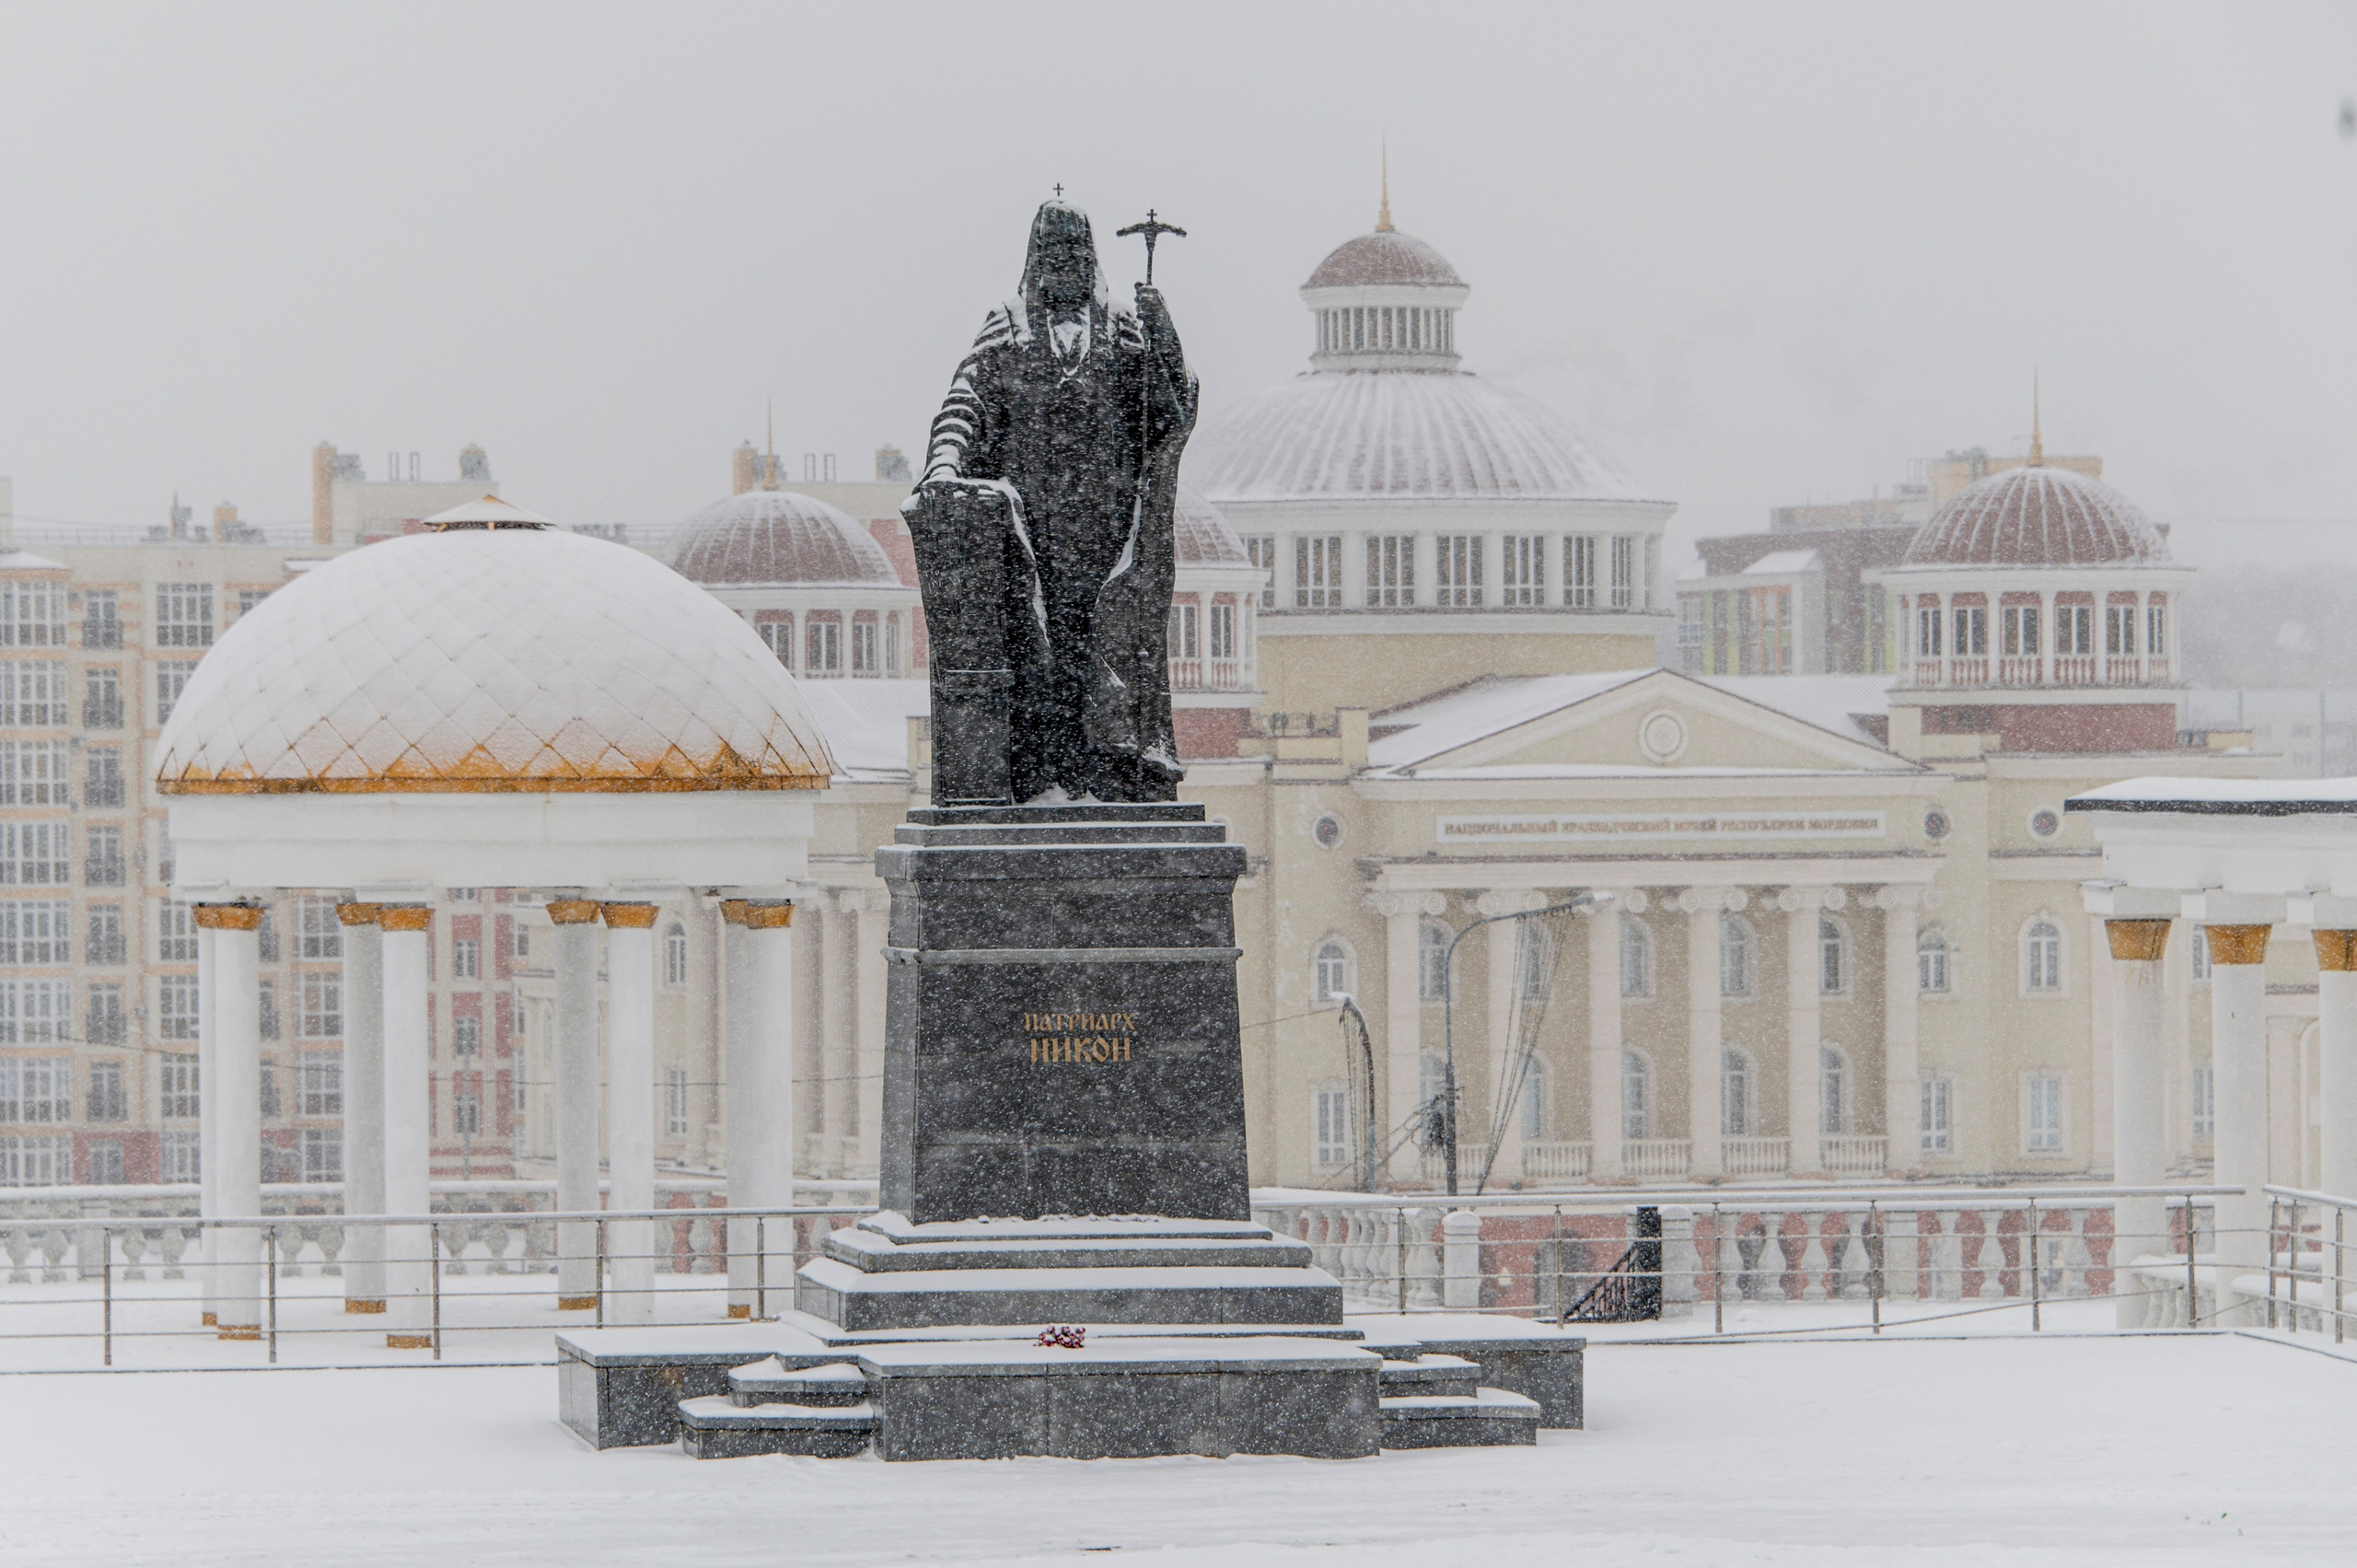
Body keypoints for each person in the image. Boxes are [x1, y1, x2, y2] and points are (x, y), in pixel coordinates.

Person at [914, 198, 1197, 803]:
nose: (1065, 261)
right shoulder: (1008, 325)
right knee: (1037, 650)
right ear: (1035, 258)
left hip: (1106, 530)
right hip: (1035, 530)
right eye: (1053, 250)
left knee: (1105, 647)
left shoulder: (1122, 327)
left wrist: (1164, 335)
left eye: (1075, 250)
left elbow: (1165, 413)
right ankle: (1039, 777)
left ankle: (1108, 773)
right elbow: (965, 402)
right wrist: (943, 464)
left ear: (1091, 257)